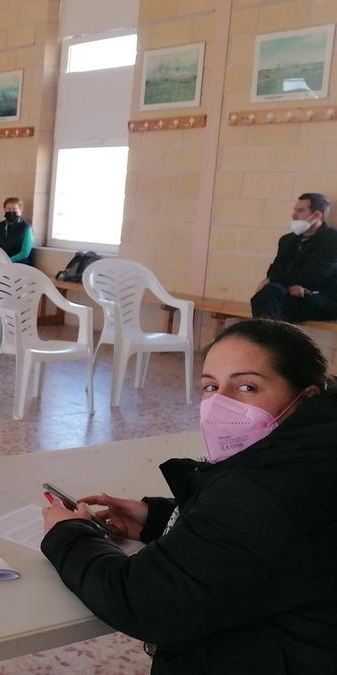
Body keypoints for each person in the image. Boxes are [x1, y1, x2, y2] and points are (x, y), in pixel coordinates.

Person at [41, 319, 337, 673]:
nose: (220, 404)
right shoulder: (315, 454)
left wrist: (68, 534)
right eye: (210, 386)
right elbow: (265, 544)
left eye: (246, 386)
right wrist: (160, 519)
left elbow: (141, 601)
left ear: (305, 396)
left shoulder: (269, 489)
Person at [250, 192, 337, 322]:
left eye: (301, 210)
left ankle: (267, 338)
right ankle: (269, 338)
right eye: (295, 210)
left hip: (321, 297)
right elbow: (273, 270)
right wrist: (288, 287)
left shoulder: (332, 240)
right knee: (268, 293)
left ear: (317, 215)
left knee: (271, 294)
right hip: (289, 293)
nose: (294, 215)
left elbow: (316, 275)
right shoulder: (288, 240)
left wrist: (282, 282)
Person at [0, 197, 34, 265]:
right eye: (8, 209)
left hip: (19, 264)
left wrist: (7, 260)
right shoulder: (0, 225)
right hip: (0, 263)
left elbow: (24, 253)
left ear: (20, 211)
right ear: (4, 210)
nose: (11, 212)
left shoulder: (26, 228)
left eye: (14, 209)